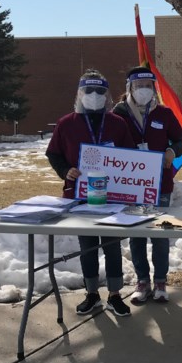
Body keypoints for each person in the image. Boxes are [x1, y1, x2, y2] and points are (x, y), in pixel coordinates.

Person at [45, 70, 137, 317]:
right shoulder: (66, 124)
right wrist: (66, 171)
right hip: (80, 197)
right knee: (87, 247)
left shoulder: (118, 123)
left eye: (99, 91)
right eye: (88, 91)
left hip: (113, 198)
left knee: (112, 247)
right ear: (79, 94)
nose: (93, 96)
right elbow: (53, 153)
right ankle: (92, 294)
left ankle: (115, 295)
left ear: (106, 95)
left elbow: (131, 155)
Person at [112, 67, 182, 304]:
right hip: (131, 185)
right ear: (129, 88)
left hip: (160, 184)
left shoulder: (163, 113)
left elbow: (181, 140)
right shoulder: (119, 113)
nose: (143, 90)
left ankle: (161, 281)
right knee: (136, 235)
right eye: (138, 86)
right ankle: (142, 281)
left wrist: (170, 151)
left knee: (160, 235)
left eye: (148, 85)